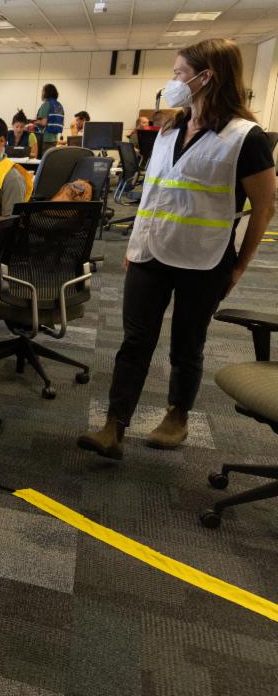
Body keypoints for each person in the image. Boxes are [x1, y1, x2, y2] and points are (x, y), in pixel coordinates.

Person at [78, 39, 276, 459]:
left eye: (180, 73)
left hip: (204, 258)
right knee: (135, 341)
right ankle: (115, 424)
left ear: (209, 77)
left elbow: (263, 208)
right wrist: (134, 246)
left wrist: (240, 265)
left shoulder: (245, 138)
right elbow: (154, 192)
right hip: (151, 251)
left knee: (187, 342)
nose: (174, 81)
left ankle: (177, 415)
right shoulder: (170, 127)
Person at [35, 83, 65, 153]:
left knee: (43, 161)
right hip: (54, 138)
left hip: (45, 138)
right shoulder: (59, 105)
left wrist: (33, 122)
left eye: (42, 91)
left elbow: (43, 122)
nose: (41, 93)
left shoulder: (46, 104)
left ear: (46, 93)